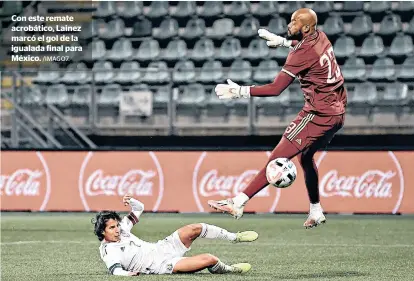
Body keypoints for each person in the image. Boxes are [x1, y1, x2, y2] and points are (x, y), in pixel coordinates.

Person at [210, 8, 347, 229]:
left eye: (294, 23)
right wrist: (284, 43)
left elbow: (276, 89)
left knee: (277, 159)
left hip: (318, 114)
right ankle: (316, 210)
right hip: (338, 111)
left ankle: (238, 202)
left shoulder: (300, 53)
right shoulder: (321, 36)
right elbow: (307, 50)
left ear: (306, 28)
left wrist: (240, 91)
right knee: (305, 158)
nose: (289, 25)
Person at [92, 194, 258, 276]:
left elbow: (139, 208)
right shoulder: (108, 251)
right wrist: (128, 274)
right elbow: (115, 270)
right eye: (112, 228)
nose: (117, 229)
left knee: (195, 228)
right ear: (102, 232)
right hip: (162, 265)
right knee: (210, 259)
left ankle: (234, 237)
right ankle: (230, 270)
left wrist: (131, 200)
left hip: (162, 247)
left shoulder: (122, 229)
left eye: (116, 225)